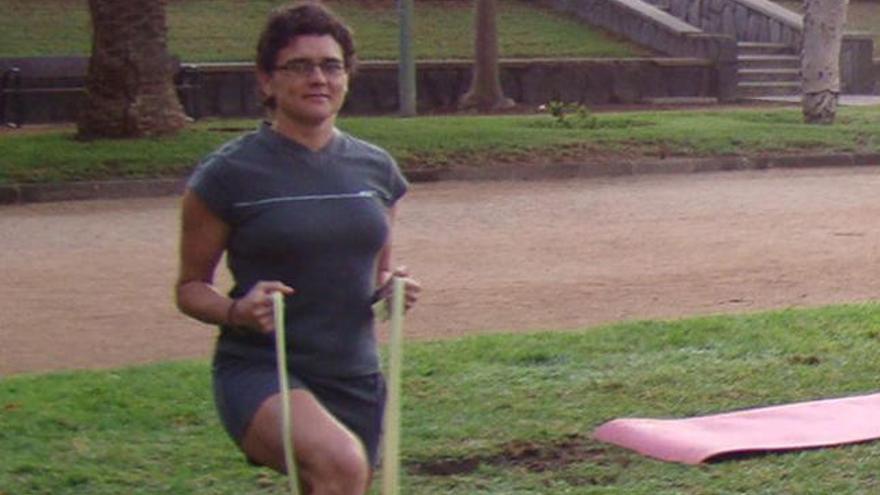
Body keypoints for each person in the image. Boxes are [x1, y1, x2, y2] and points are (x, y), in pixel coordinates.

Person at [174, 3, 420, 493]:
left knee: (338, 478)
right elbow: (189, 289)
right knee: (340, 465)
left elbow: (374, 275)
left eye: (331, 65)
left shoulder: (377, 170)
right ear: (267, 81)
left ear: (347, 76)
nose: (318, 78)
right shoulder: (227, 175)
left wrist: (393, 290)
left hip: (354, 373)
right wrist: (238, 310)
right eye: (299, 66)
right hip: (264, 369)